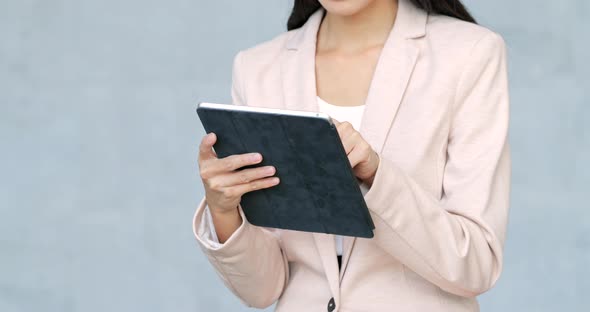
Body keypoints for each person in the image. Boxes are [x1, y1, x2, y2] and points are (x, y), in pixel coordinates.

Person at [194, 0, 511, 311]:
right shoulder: (257, 68)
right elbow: (263, 291)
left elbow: (476, 265)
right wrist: (224, 214)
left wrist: (376, 176)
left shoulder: (469, 54)